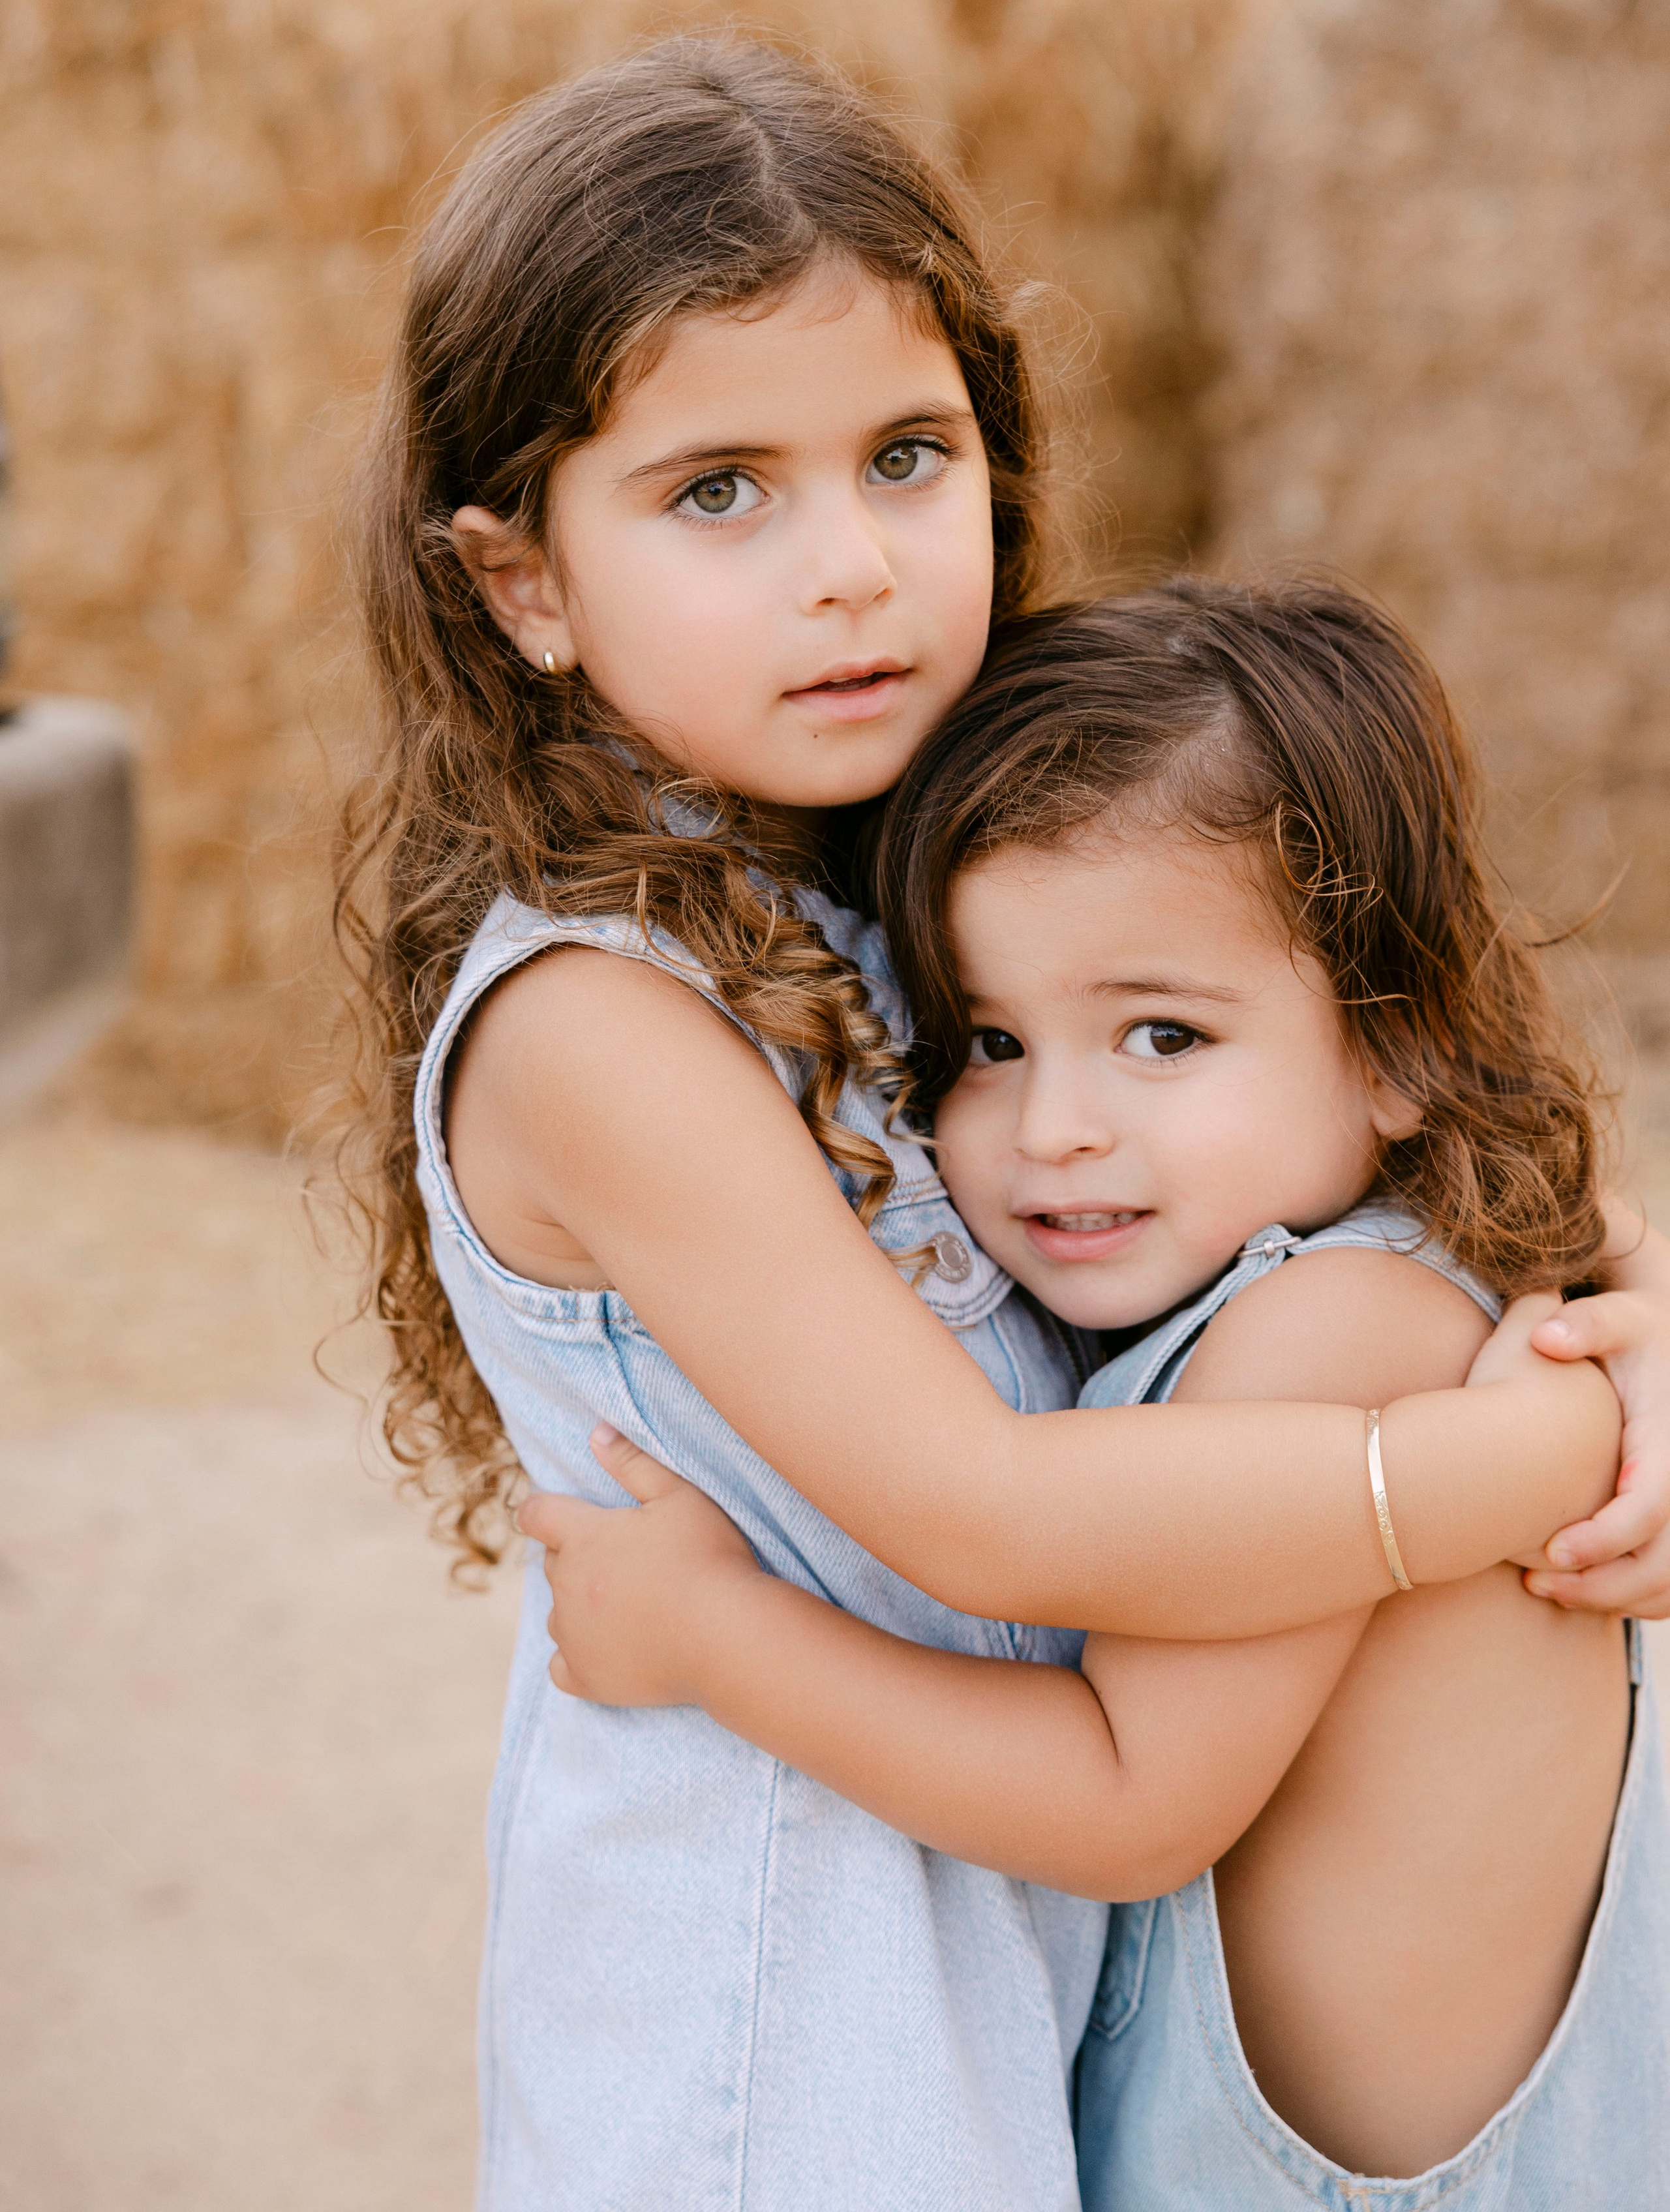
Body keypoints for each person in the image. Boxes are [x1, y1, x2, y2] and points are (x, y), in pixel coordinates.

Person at [339, 34, 1670, 2212]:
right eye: (718, 493)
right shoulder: (598, 1020)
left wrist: (1636, 1316)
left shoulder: (901, 873)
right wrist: (1540, 1450)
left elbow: (1403, 1084)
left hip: (983, 1968)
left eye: (905, 455)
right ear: (524, 586)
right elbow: (975, 1508)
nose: (851, 565)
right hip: (770, 2031)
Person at [527, 581, 1670, 2209]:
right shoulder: (1413, 1255)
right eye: (986, 1042)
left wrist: (716, 1640)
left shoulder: (1326, 1333)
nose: (1054, 1125)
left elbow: (1127, 1800)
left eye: (1156, 1034)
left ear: (1398, 1040)